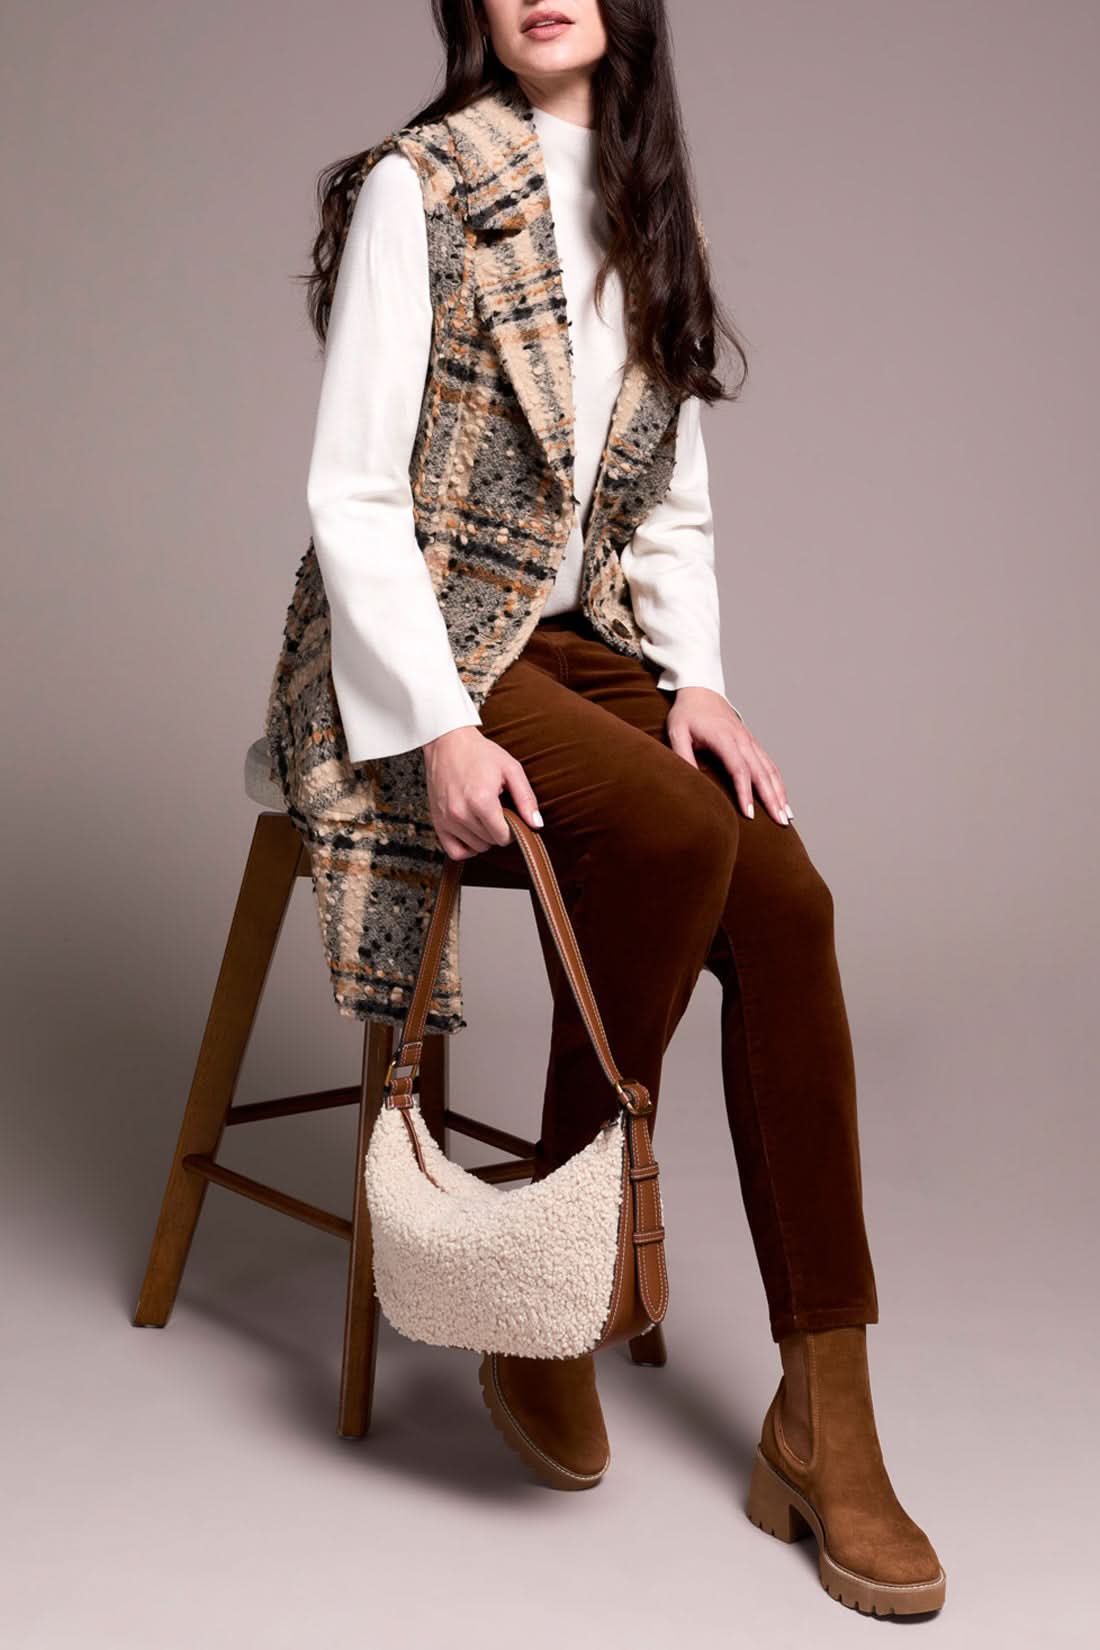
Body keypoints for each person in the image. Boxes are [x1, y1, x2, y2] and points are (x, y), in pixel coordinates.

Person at [297, 0, 945, 1618]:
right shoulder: (422, 185)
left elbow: (671, 500)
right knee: (669, 836)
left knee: (787, 898)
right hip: (425, 635)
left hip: (583, 643)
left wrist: (698, 680)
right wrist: (439, 723)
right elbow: (353, 496)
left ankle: (828, 1417)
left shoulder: (655, 206)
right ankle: (553, 1286)